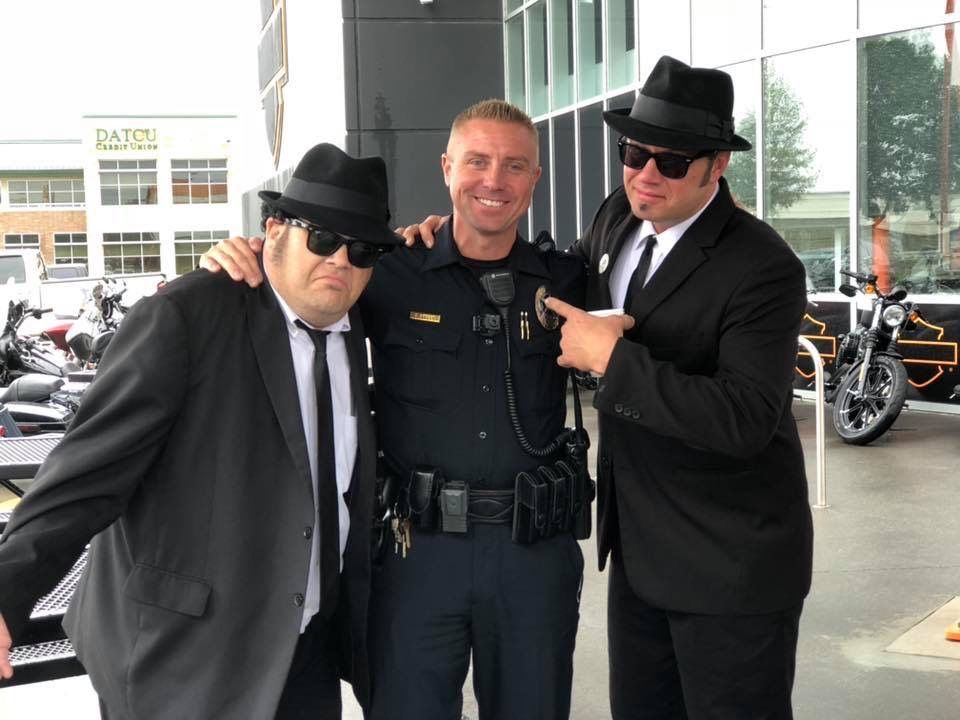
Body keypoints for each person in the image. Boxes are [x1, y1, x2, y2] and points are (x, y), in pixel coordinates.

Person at [201, 99, 588, 720]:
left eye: (514, 165)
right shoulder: (389, 271)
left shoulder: (568, 280)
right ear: (447, 168)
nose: (494, 180)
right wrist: (244, 254)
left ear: (535, 178)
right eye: (477, 161)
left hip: (533, 555)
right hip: (417, 553)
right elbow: (301, 283)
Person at [0, 143, 399, 720]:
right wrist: (8, 592)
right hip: (183, 657)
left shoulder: (352, 323)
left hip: (304, 648)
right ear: (274, 231)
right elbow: (84, 476)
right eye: (322, 237)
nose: (340, 259)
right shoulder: (186, 317)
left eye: (362, 249)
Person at [541, 56, 813, 719]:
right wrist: (447, 244)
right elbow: (559, 278)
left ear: (717, 166)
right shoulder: (619, 216)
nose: (646, 175)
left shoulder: (764, 267)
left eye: (671, 161)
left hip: (731, 568)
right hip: (639, 555)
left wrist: (616, 363)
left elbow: (746, 417)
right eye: (634, 153)